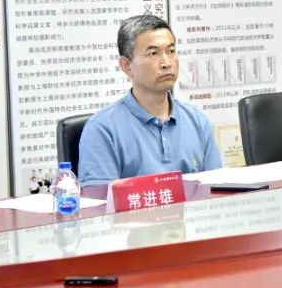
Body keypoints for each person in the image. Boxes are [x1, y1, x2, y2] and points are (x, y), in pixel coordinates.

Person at [79, 14, 223, 186]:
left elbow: (217, 189)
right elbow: (100, 199)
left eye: (171, 51)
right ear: (127, 66)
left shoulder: (198, 121)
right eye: (153, 53)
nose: (166, 63)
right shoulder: (103, 129)